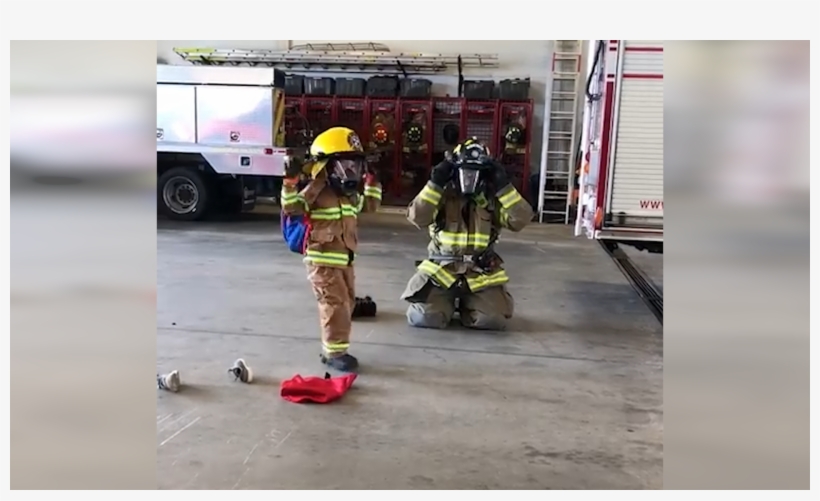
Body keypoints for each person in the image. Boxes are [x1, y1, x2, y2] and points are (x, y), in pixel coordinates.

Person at [401, 138, 533, 330]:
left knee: (492, 321)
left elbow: (520, 220)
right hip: (443, 272)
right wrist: (435, 183)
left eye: (475, 173)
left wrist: (505, 187)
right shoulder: (442, 195)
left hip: (479, 273)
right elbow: (417, 218)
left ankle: (469, 305)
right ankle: (444, 304)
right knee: (425, 318)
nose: (469, 179)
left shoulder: (492, 200)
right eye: (465, 172)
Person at [280, 127, 382, 372]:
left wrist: (373, 183)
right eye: (345, 165)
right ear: (326, 166)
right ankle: (334, 353)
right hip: (322, 261)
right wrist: (290, 183)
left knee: (346, 303)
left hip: (345, 260)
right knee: (334, 304)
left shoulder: (348, 196)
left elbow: (369, 206)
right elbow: (292, 207)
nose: (351, 171)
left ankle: (336, 348)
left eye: (355, 165)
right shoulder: (317, 190)